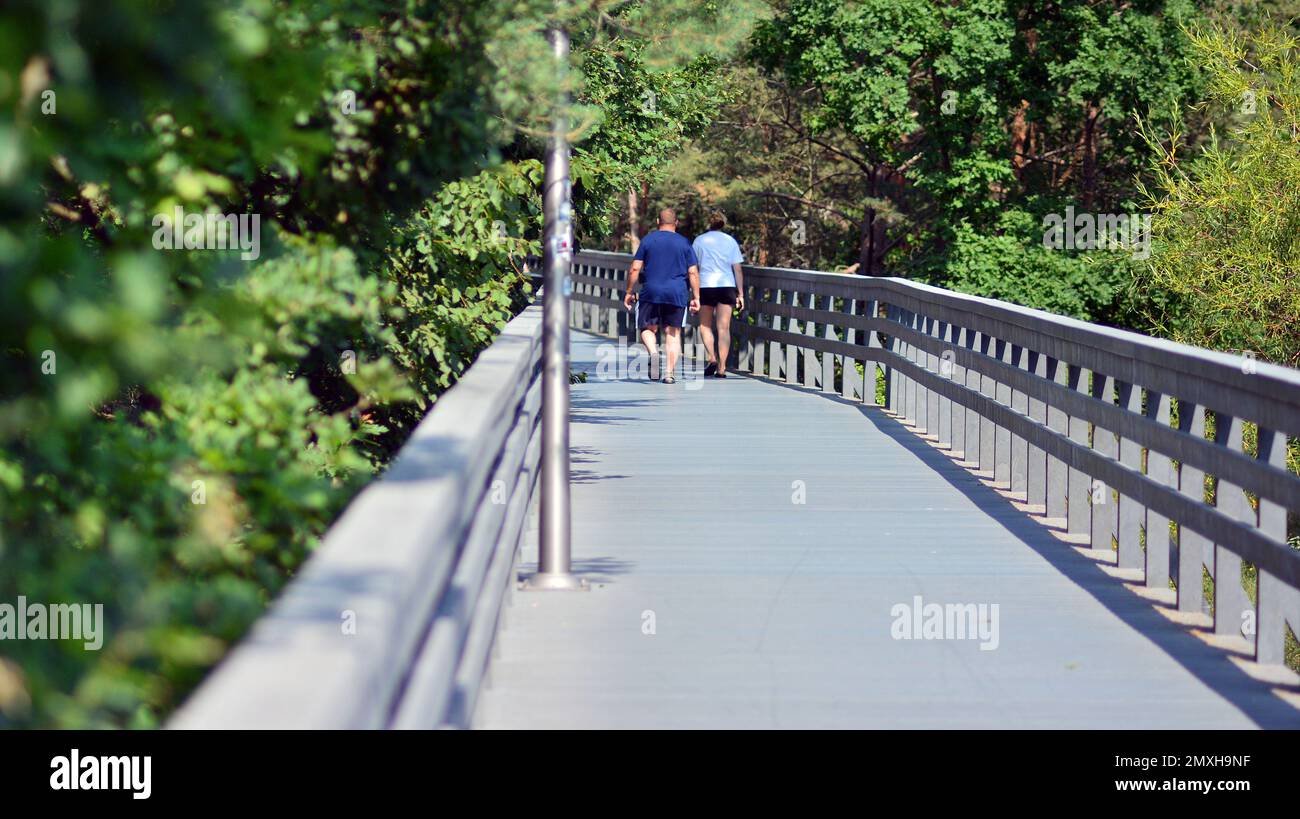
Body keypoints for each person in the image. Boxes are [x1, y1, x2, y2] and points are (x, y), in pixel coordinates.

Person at [623, 208, 700, 384]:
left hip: (650, 292)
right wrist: (696, 297)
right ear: (677, 223)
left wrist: (628, 291)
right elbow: (693, 272)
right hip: (677, 293)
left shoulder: (648, 240)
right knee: (673, 333)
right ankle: (669, 374)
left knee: (647, 328)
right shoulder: (684, 243)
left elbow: (635, 268)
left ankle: (654, 353)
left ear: (658, 221)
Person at [690, 211, 745, 378]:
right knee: (723, 328)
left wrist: (694, 293)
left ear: (709, 223)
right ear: (723, 224)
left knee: (705, 326)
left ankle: (712, 357)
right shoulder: (730, 241)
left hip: (705, 285)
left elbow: (694, 268)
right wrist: (740, 294)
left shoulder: (699, 241)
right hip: (726, 285)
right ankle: (721, 368)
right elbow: (737, 269)